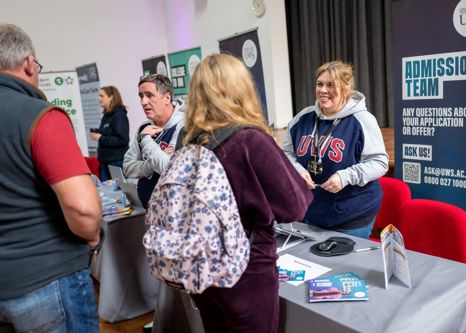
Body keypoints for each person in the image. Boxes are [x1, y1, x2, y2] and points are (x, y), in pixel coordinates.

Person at [184, 53, 312, 333]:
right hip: (245, 274)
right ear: (242, 89)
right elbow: (295, 207)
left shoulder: (191, 144)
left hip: (201, 270)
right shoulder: (249, 140)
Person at [0, 23, 102, 331]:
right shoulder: (41, 115)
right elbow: (84, 210)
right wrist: (92, 234)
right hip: (48, 281)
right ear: (29, 63)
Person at [282, 60, 388, 239]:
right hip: (312, 211)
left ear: (346, 89)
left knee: (341, 265)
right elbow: (286, 154)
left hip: (351, 215)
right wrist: (297, 170)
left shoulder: (362, 120)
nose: (323, 90)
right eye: (320, 84)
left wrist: (344, 177)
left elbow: (380, 163)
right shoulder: (303, 118)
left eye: (330, 85)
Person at [123, 74, 185, 207]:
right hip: (150, 210)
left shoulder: (184, 126)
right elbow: (127, 167)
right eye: (141, 96)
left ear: (167, 98)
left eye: (149, 95)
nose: (143, 102)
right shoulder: (144, 127)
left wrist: (146, 140)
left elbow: (168, 169)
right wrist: (152, 164)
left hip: (175, 211)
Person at [90, 85, 129, 181]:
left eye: (102, 96)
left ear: (111, 97)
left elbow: (122, 140)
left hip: (116, 162)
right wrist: (99, 132)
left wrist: (100, 138)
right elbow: (108, 133)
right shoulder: (106, 115)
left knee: (119, 193)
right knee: (106, 193)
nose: (99, 98)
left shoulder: (119, 115)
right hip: (105, 162)